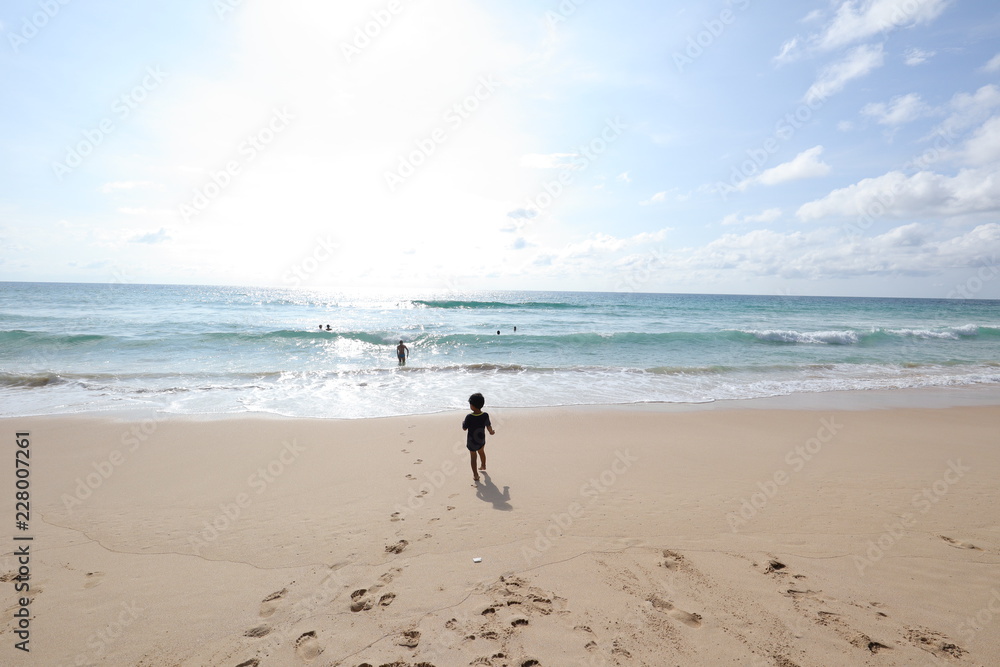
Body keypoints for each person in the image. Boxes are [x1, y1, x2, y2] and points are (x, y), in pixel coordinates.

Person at [462, 392, 495, 482]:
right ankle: (483, 465)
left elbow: (464, 428)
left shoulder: (469, 417)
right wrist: (491, 432)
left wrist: (463, 422)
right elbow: (488, 426)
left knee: (473, 457)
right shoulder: (485, 415)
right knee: (481, 452)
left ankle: (476, 475)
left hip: (471, 441)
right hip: (481, 439)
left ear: (472, 406)